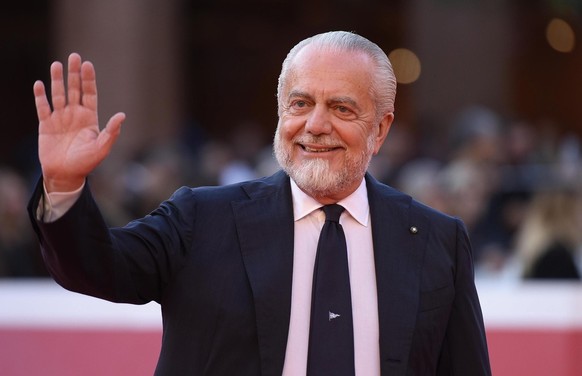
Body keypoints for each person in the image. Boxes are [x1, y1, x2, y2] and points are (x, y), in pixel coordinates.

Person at [28, 31, 491, 375]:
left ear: (382, 129)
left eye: (342, 108)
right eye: (300, 103)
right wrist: (65, 183)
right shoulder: (201, 218)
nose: (315, 124)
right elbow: (95, 267)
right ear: (279, 112)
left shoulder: (436, 239)